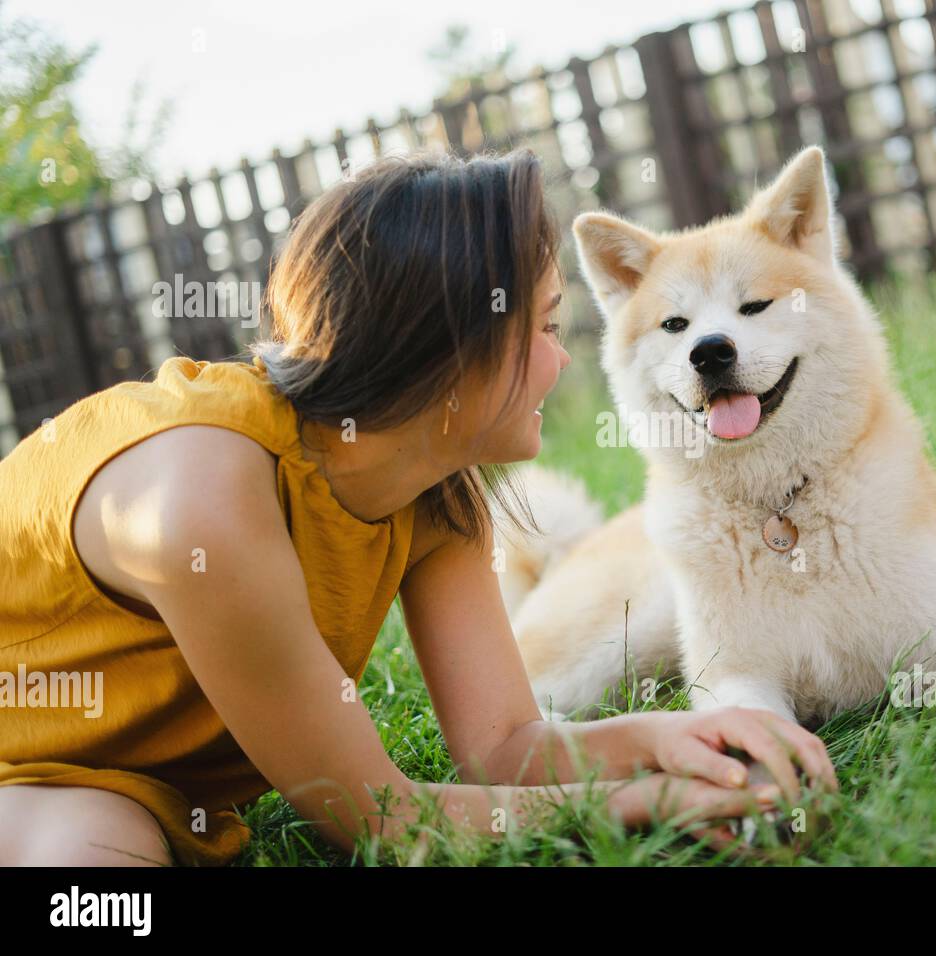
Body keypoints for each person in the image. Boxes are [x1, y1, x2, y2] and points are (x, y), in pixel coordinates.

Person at [0, 148, 837, 866]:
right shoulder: (204, 503)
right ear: (450, 345)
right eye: (544, 328)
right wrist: (643, 802)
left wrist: (668, 740)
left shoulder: (434, 490)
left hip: (135, 787)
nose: (561, 362)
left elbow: (505, 747)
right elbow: (382, 822)